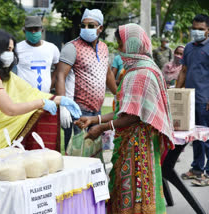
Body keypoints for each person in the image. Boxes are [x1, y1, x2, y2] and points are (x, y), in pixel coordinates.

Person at [75, 23, 174, 213]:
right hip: (136, 141)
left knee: (136, 191)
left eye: (120, 44)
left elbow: (134, 117)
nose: (119, 49)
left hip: (137, 145)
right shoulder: (143, 68)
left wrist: (102, 128)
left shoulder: (140, 74)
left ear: (131, 45)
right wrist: (94, 120)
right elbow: (124, 110)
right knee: (132, 187)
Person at [56, 8, 117, 148]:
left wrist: (118, 95)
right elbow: (60, 76)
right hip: (77, 111)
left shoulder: (103, 47)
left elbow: (107, 74)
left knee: (93, 153)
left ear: (100, 28)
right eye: (83, 25)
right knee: (77, 153)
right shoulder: (72, 48)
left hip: (97, 112)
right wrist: (64, 105)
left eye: (90, 26)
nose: (85, 28)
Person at [176, 14, 209, 186]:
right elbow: (183, 70)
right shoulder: (188, 47)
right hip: (189, 100)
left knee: (207, 138)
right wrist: (176, 93)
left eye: (201, 29)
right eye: (194, 28)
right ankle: (197, 168)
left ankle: (208, 173)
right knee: (194, 137)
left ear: (208, 30)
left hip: (205, 100)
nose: (196, 32)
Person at [16, 16, 60, 93]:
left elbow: (58, 68)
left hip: (45, 97)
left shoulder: (52, 48)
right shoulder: (17, 48)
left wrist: (50, 85)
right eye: (30, 29)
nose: (33, 32)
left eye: (36, 29)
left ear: (42, 30)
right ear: (24, 31)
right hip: (23, 98)